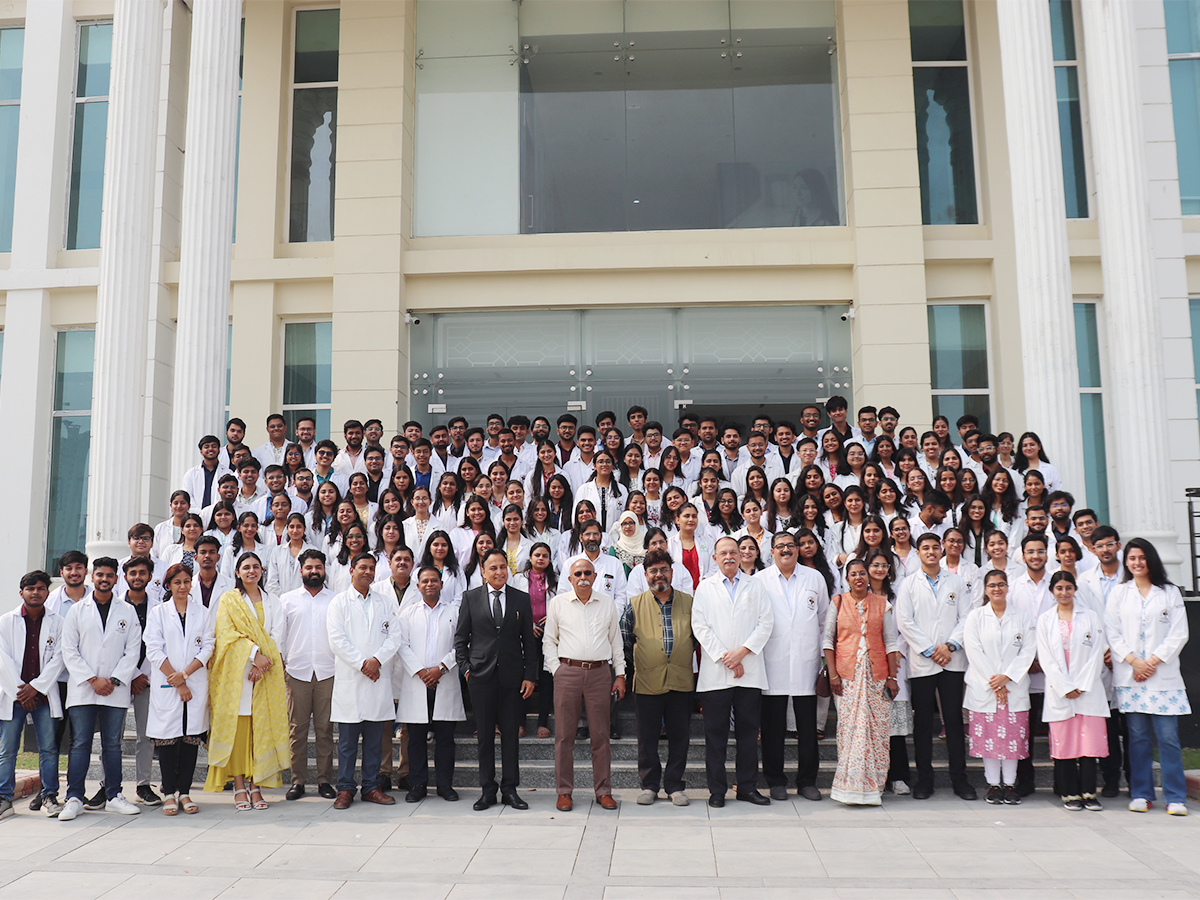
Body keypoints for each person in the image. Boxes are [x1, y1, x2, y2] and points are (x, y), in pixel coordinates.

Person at [1106, 539, 1191, 815]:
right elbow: (1112, 632)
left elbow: (1179, 633)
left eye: (1142, 557)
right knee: (1138, 738)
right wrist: (1134, 662)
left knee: (1168, 738)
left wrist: (1152, 662)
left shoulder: (1169, 593)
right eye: (1132, 558)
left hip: (1162, 676)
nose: (1137, 563)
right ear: (1126, 562)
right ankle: (1141, 793)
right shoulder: (1120, 593)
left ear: (1151, 559)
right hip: (1131, 676)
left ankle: (1175, 796)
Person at [58, 558, 143, 821]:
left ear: (116, 579)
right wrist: (92, 679)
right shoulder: (77, 611)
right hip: (84, 688)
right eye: (100, 575)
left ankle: (114, 795)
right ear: (92, 577)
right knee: (81, 743)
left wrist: (114, 680)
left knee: (112, 744)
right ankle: (74, 797)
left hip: (115, 689)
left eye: (109, 575)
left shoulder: (127, 611)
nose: (104, 579)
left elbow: (133, 650)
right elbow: (69, 650)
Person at [692, 536, 774, 807]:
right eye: (723, 553)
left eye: (733, 552)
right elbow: (700, 626)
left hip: (749, 670)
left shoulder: (756, 585)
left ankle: (747, 787)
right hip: (716, 672)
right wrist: (725, 657)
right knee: (715, 736)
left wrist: (741, 653)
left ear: (740, 556)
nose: (729, 557)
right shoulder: (705, 587)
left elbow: (765, 623)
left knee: (748, 735)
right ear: (715, 558)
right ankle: (717, 790)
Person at [454, 549, 538, 810]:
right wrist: (466, 669)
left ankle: (510, 789)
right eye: (493, 568)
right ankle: (487, 790)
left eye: (503, 567)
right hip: (481, 677)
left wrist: (530, 676)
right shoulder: (470, 598)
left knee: (511, 736)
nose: (499, 572)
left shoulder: (521, 599)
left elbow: (529, 643)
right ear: (483, 571)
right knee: (485, 737)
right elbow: (460, 639)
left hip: (513, 679)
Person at [204, 553, 289, 811]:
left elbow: (277, 636)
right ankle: (239, 785)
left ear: (262, 571)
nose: (252, 571)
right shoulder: (229, 599)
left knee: (260, 730)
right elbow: (226, 634)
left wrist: (263, 664)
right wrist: (253, 656)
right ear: (237, 572)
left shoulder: (273, 601)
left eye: (256, 567)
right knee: (239, 731)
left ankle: (256, 785)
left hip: (267, 673)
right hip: (237, 674)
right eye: (246, 567)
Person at [894, 533, 975, 800]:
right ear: (917, 553)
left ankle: (960, 780)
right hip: (923, 662)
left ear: (941, 551)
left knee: (953, 721)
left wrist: (949, 645)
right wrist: (930, 649)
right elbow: (904, 621)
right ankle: (924, 781)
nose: (931, 552)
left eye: (935, 547)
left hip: (952, 660)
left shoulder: (957, 582)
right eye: (925, 548)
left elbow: (967, 617)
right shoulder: (908, 584)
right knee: (923, 723)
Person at [543, 557, 627, 811]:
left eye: (587, 573)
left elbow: (616, 641)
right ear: (570, 579)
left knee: (600, 735)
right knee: (564, 736)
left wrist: (620, 674)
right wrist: (557, 670)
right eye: (578, 573)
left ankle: (603, 791)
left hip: (600, 673)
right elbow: (549, 641)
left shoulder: (607, 603)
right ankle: (564, 792)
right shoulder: (558, 603)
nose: (583, 577)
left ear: (595, 576)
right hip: (567, 673)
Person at [757, 532, 830, 801]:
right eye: (780, 546)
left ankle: (807, 781)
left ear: (798, 550)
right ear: (772, 551)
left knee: (808, 728)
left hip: (806, 661)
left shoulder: (815, 578)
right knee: (772, 727)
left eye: (790, 545)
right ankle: (775, 781)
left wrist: (822, 658)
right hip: (771, 661)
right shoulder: (760, 580)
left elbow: (824, 620)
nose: (786, 550)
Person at [620, 549, 694, 807]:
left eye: (664, 569)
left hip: (681, 680)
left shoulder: (689, 602)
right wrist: (644, 662)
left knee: (679, 737)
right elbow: (625, 640)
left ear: (672, 572)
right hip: (647, 682)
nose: (659, 574)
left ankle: (675, 786)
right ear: (645, 575)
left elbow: (697, 638)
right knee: (647, 738)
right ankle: (649, 785)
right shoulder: (635, 605)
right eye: (653, 570)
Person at [823, 559, 900, 806]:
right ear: (846, 579)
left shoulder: (882, 604)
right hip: (846, 677)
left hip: (877, 678)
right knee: (850, 730)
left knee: (877, 731)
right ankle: (849, 788)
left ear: (869, 577)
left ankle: (873, 788)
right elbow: (828, 641)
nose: (858, 577)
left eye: (862, 573)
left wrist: (892, 677)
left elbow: (890, 642)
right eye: (853, 574)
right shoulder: (837, 602)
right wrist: (833, 675)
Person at [327, 554, 400, 809]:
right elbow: (337, 640)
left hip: (377, 679)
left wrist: (377, 661)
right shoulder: (339, 603)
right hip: (352, 679)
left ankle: (371, 787)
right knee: (347, 744)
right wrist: (363, 664)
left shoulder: (384, 602)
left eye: (371, 568)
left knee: (374, 742)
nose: (367, 572)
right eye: (362, 567)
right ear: (351, 570)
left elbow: (395, 636)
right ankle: (345, 789)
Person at [143, 564, 214, 816]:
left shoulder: (202, 613)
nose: (182, 586)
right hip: (168, 683)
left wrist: (185, 675)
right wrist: (178, 681)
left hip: (193, 681)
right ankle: (169, 793)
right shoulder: (158, 613)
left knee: (190, 738)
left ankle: (184, 792)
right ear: (168, 585)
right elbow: (153, 649)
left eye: (186, 581)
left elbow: (208, 647)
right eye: (177, 582)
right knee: (168, 740)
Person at [1037, 570, 1109, 811]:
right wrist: (1065, 687)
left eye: (1068, 587)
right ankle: (1069, 793)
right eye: (1059, 588)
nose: (1064, 592)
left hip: (1088, 691)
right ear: (1052, 592)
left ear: (1075, 590)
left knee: (1089, 745)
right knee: (1065, 744)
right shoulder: (1045, 620)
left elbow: (1097, 652)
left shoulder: (1090, 617)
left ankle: (1089, 793)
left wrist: (1082, 685)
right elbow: (1046, 658)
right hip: (1060, 692)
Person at [962, 570, 1035, 805]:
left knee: (1013, 739)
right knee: (989, 739)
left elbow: (1028, 650)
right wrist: (995, 681)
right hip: (985, 687)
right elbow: (974, 651)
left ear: (1007, 587)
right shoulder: (975, 617)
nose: (997, 589)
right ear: (985, 589)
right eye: (992, 585)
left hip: (1014, 686)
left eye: (1001, 584)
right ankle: (993, 785)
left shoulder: (1022, 617)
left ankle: (1010, 785)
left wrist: (1008, 677)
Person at [0, 571, 65, 820]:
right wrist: (21, 690)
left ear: (47, 592)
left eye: (40, 588)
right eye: (30, 588)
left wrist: (36, 687)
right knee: (8, 749)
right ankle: (4, 798)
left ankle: (49, 796)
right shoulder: (6, 621)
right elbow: (3, 660)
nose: (35, 592)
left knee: (48, 748)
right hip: (13, 695)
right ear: (22, 593)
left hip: (43, 696)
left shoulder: (58, 622)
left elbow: (60, 658)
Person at [396, 567, 464, 802]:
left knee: (445, 738)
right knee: (416, 739)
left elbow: (461, 643)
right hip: (417, 681)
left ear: (442, 584)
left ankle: (445, 785)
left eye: (434, 580)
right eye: (425, 581)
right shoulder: (408, 614)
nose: (430, 584)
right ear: (418, 586)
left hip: (444, 679)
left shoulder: (454, 612)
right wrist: (422, 671)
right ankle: (418, 785)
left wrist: (441, 668)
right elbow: (401, 645)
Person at [278, 549, 337, 801]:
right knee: (297, 730)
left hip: (327, 671)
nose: (314, 571)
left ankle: (324, 781)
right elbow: (279, 636)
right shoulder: (287, 600)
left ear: (324, 570)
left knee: (325, 730)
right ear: (301, 570)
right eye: (309, 567)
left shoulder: (335, 600)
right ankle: (298, 781)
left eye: (318, 567)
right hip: (297, 672)